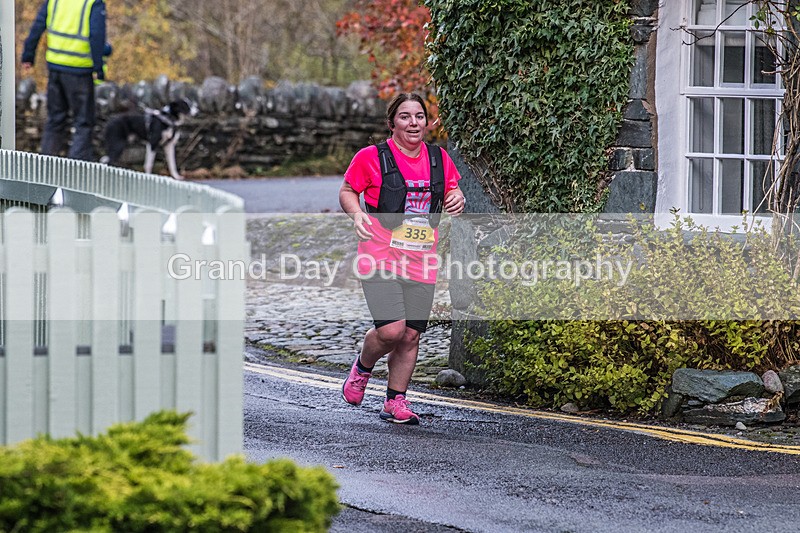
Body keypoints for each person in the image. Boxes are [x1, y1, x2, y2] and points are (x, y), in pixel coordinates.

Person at [339, 93, 466, 424]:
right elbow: (348, 190)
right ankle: (363, 367)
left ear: (427, 122)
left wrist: (456, 198)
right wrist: (357, 215)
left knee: (410, 335)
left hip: (422, 259)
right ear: (392, 122)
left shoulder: (439, 158)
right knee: (392, 331)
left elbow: (452, 189)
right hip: (380, 254)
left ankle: (395, 401)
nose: (414, 123)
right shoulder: (371, 157)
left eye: (420, 117)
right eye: (406, 116)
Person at [21, 0, 107, 161]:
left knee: (55, 120)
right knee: (83, 123)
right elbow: (96, 35)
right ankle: (77, 172)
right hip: (80, 71)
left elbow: (38, 24)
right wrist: (98, 68)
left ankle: (45, 169)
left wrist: (28, 54)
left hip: (55, 68)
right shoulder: (92, 3)